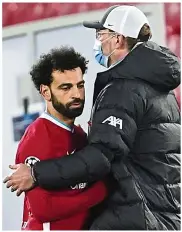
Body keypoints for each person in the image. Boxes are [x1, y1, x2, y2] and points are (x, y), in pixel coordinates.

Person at [4, 5, 180, 230]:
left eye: (101, 34)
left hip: (134, 217)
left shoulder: (123, 89)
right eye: (66, 87)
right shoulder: (162, 90)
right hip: (165, 216)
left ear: (117, 40)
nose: (98, 41)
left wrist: (36, 173)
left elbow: (101, 157)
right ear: (45, 91)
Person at [8, 46, 108, 230]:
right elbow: (43, 209)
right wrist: (100, 193)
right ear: (46, 92)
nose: (76, 94)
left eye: (80, 85)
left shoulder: (79, 135)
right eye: (65, 87)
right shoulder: (37, 136)